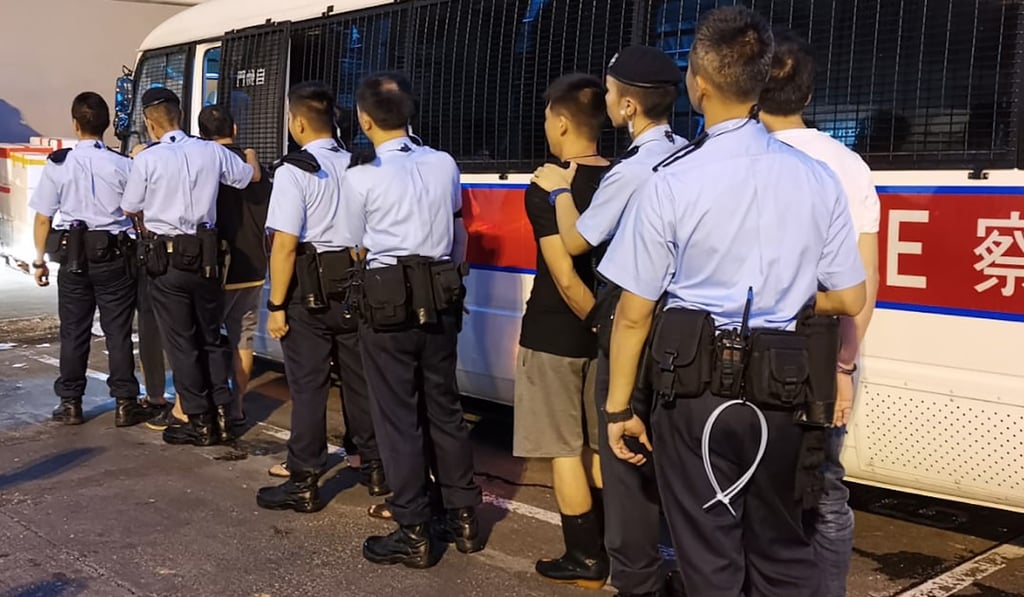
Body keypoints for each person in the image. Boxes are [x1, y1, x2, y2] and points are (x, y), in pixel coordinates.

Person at [599, 7, 867, 597]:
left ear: (698, 85)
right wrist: (795, 296)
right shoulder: (816, 177)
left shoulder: (672, 179)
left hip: (693, 393)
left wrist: (620, 409)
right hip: (785, 388)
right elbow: (850, 296)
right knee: (782, 549)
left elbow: (634, 312)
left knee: (708, 553)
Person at [533, 45, 688, 597]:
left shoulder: (634, 169)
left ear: (626, 106)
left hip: (634, 317)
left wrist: (555, 194)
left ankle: (634, 575)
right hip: (688, 330)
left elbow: (577, 239)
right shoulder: (691, 153)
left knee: (621, 446)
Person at [340, 72, 483, 569]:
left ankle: (413, 529)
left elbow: (354, 242)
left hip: (387, 301)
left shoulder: (359, 175)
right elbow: (457, 224)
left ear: (363, 119)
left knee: (397, 416)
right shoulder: (443, 163)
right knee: (444, 407)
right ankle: (464, 517)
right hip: (441, 295)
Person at [759, 29, 880, 597]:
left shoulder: (734, 161)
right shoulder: (848, 166)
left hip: (746, 344)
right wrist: (845, 367)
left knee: (748, 481)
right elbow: (864, 282)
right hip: (820, 346)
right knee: (825, 487)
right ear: (808, 98)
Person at [255, 82, 387, 513]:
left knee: (308, 386)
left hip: (307, 292)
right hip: (352, 284)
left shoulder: (295, 171)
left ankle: (304, 480)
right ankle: (372, 465)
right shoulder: (358, 163)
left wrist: (276, 305)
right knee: (358, 380)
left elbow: (285, 245)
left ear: (296, 122)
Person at [121, 87, 259, 447]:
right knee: (211, 337)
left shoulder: (148, 159)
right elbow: (245, 177)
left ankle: (197, 420)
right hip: (208, 257)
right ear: (180, 116)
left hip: (167, 259)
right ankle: (224, 416)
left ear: (151, 125)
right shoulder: (211, 151)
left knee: (182, 341)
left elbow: (130, 205)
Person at [517, 73, 610, 589]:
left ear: (560, 121)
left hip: (555, 333)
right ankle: (617, 547)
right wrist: (612, 329)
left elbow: (566, 277)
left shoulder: (548, 184)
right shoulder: (621, 178)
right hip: (611, 334)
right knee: (600, 447)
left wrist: (592, 318)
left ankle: (584, 559)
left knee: (564, 450)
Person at [28, 91, 150, 428]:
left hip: (73, 257)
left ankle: (70, 404)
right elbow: (138, 210)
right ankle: (125, 403)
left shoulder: (58, 164)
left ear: (75, 124)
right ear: (108, 124)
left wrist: (39, 261)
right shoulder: (124, 164)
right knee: (118, 332)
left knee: (74, 332)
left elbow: (43, 218)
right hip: (115, 256)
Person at [198, 105, 272, 425]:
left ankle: (210, 406)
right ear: (236, 129)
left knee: (208, 339)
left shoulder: (204, 167)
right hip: (254, 267)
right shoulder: (255, 168)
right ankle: (238, 406)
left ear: (201, 136)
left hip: (216, 268)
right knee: (243, 340)